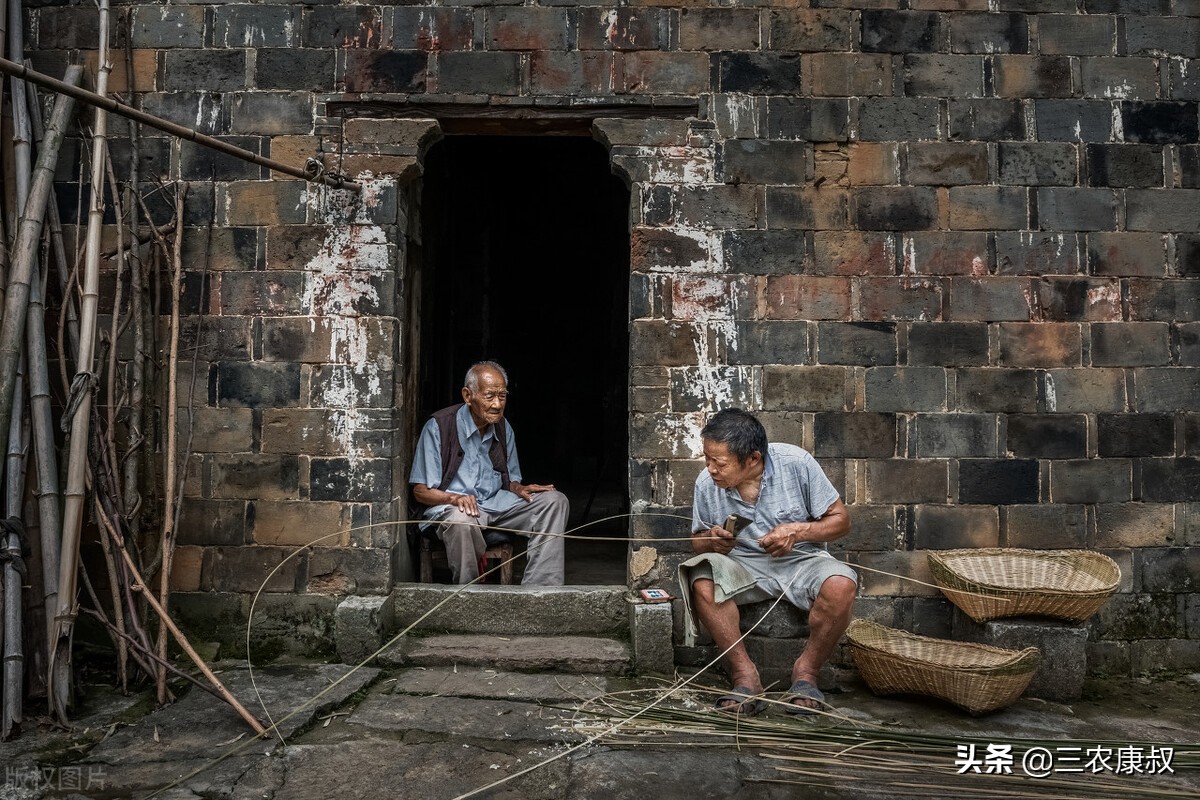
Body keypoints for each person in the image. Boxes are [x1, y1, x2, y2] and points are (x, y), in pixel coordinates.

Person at [680, 408, 857, 717]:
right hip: (742, 564)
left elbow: (841, 521)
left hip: (801, 560)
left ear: (753, 459)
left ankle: (806, 674)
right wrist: (712, 540)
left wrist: (798, 530)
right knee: (702, 580)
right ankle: (745, 676)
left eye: (718, 462)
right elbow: (697, 542)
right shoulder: (706, 484)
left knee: (842, 584)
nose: (710, 469)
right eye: (707, 460)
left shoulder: (796, 464)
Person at [409, 361, 567, 585]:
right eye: (490, 395)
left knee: (555, 501)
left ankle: (540, 591)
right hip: (456, 510)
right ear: (467, 395)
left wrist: (518, 487)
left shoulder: (503, 427)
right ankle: (470, 595)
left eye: (502, 396)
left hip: (496, 506)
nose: (497, 404)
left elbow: (510, 479)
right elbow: (420, 492)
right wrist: (454, 498)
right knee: (462, 521)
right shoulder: (439, 427)